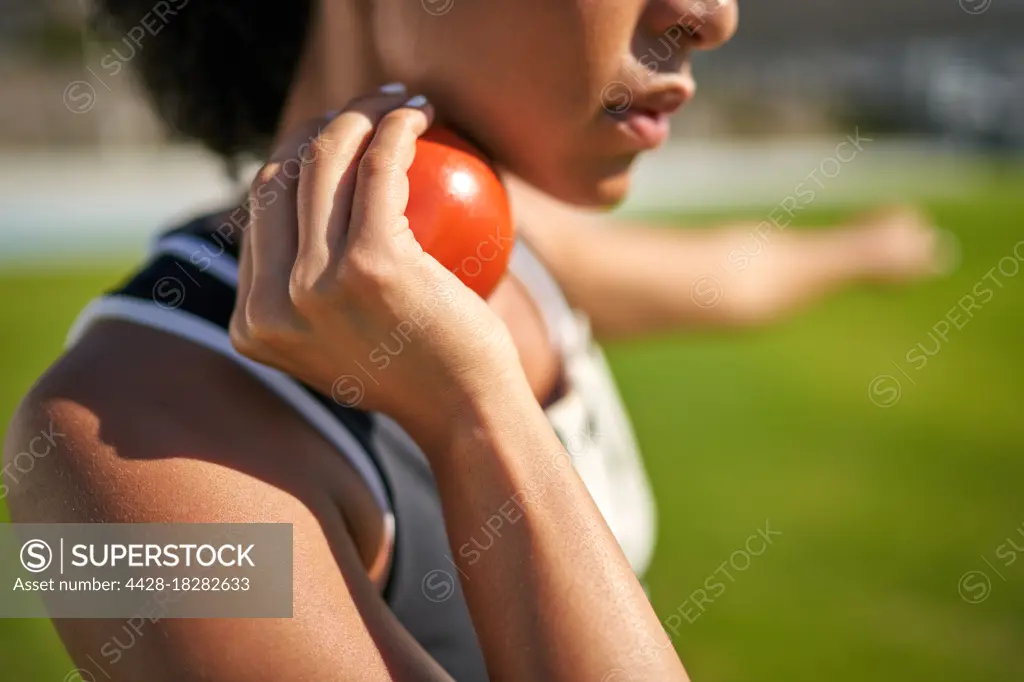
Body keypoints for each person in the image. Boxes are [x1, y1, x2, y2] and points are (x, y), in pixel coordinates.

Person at [2, 1, 942, 680]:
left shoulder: (518, 230)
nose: (713, 14)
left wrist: (869, 246)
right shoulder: (87, 448)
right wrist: (473, 412)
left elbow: (725, 276)